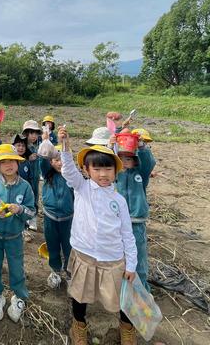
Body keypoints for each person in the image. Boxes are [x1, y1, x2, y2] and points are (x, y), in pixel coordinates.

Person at [58, 126, 138, 345]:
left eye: (108, 169)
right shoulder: (82, 189)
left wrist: (131, 264)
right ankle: (78, 325)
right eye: (97, 169)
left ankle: (127, 327)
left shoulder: (119, 201)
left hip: (113, 259)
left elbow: (127, 234)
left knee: (122, 299)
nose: (103, 174)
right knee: (80, 295)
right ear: (86, 170)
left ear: (116, 171)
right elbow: (68, 171)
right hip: (84, 255)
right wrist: (65, 146)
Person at [0, 144, 35, 323]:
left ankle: (19, 296)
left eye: (11, 160)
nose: (8, 165)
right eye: (3, 162)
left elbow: (32, 211)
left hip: (14, 236)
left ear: (18, 162)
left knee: (16, 266)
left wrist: (19, 209)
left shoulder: (25, 187)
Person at [113, 132, 156, 291]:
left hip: (136, 222)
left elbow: (149, 163)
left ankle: (142, 289)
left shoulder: (141, 175)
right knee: (120, 254)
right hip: (118, 222)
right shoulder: (115, 175)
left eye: (129, 159)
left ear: (135, 160)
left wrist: (141, 147)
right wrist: (111, 146)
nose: (125, 162)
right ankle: (122, 287)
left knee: (139, 255)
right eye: (121, 159)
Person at [38, 137, 73, 289]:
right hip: (50, 217)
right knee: (52, 245)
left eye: (62, 159)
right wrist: (46, 143)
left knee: (69, 246)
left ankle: (69, 270)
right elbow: (42, 161)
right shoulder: (47, 174)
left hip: (68, 219)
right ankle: (55, 270)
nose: (60, 163)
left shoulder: (72, 177)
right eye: (56, 160)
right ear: (51, 162)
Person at [21, 120, 42, 231]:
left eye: (36, 133)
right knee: (24, 197)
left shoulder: (36, 147)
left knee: (34, 196)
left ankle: (33, 218)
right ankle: (25, 219)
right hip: (24, 178)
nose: (34, 136)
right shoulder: (22, 147)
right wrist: (28, 159)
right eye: (31, 133)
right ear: (26, 134)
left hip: (35, 177)